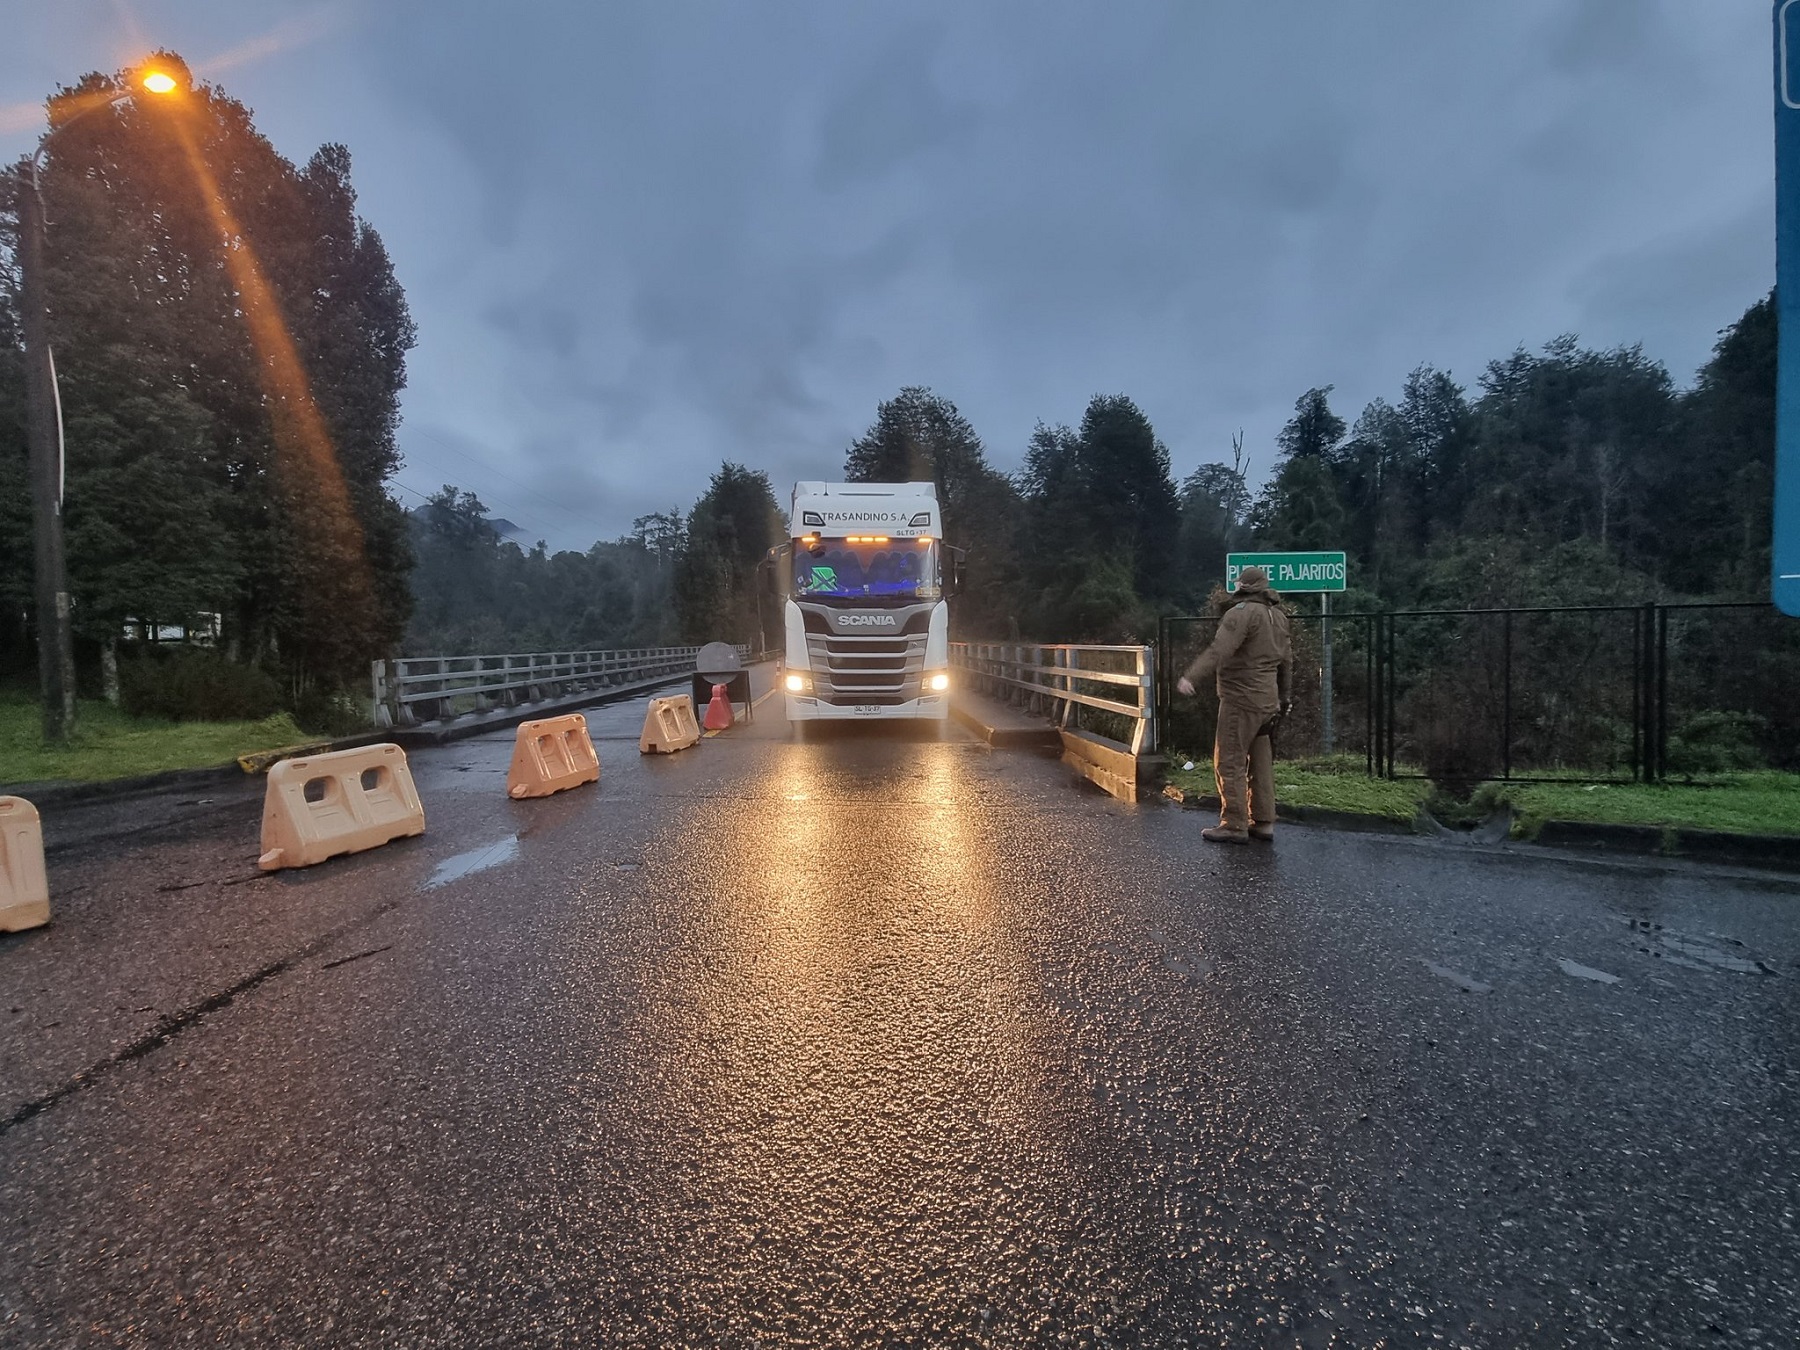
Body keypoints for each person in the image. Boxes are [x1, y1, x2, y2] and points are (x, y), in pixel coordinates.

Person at [1176, 566, 1293, 844]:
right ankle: (1263, 822)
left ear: (1242, 587)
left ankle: (1234, 824)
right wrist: (1285, 697)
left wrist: (1191, 676)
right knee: (1261, 764)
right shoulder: (1278, 617)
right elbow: (1287, 661)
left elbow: (1220, 649)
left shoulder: (1240, 614)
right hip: (1268, 701)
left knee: (1229, 760)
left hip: (1240, 699)